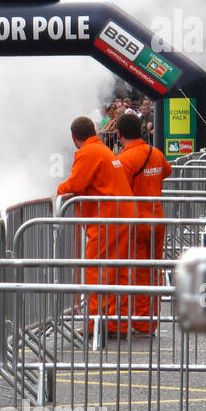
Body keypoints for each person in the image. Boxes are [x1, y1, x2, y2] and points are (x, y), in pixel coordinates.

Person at [56, 116, 134, 335]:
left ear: (74, 137)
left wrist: (59, 191)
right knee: (115, 270)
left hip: (107, 218)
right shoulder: (102, 150)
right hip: (119, 215)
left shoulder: (88, 153)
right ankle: (113, 322)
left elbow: (74, 184)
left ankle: (95, 324)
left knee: (96, 269)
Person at [115, 113, 172, 333]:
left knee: (137, 272)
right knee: (153, 270)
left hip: (136, 223)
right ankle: (149, 319)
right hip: (157, 219)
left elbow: (119, 188)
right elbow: (167, 171)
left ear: (119, 134)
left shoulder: (124, 160)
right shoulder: (155, 152)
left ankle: (141, 322)